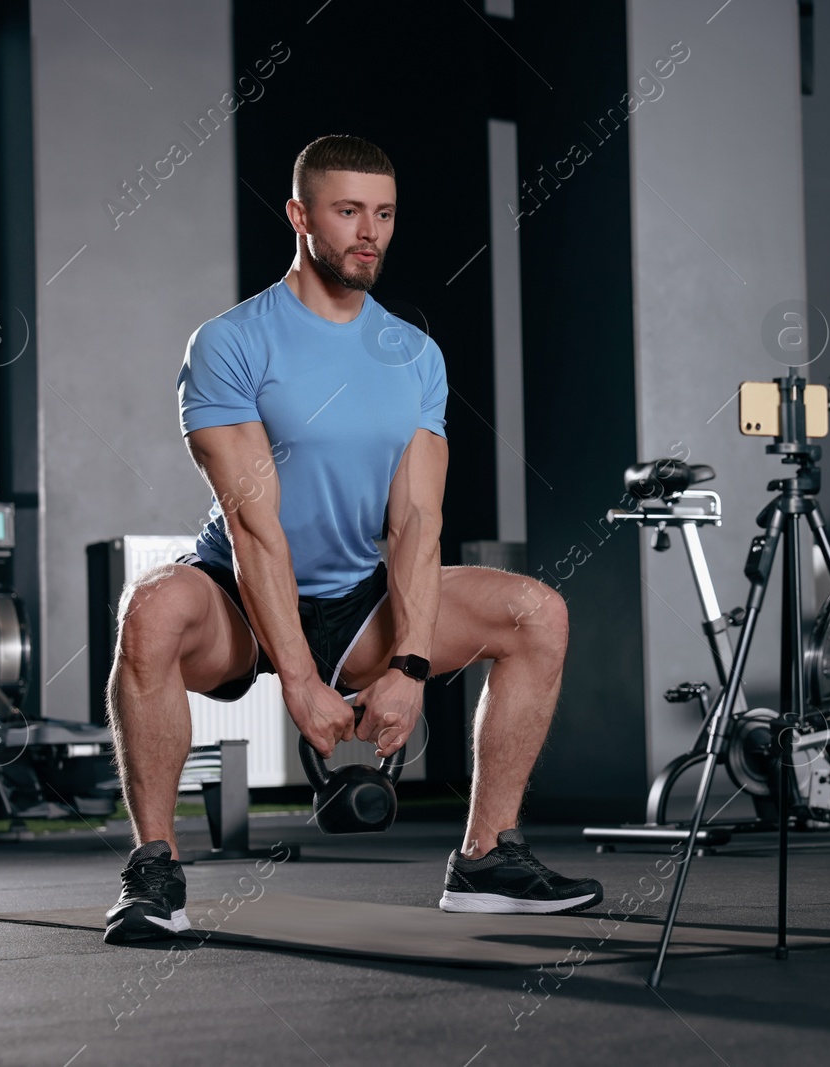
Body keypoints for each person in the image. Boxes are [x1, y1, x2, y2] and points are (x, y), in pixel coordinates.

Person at [101, 135, 601, 944]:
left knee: (536, 613)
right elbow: (254, 526)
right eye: (347, 211)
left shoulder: (414, 354)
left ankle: (485, 861)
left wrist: (407, 665)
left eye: (384, 213)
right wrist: (297, 679)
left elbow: (415, 523)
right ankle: (154, 869)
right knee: (151, 610)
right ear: (300, 216)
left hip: (356, 602)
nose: (369, 231)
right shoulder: (231, 342)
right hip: (238, 596)